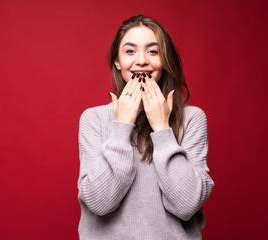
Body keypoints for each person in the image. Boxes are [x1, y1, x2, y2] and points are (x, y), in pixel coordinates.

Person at [77, 15, 214, 240]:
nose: (141, 61)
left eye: (153, 51)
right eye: (130, 51)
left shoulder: (192, 119)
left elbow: (186, 206)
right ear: (118, 61)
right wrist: (122, 127)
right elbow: (99, 203)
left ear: (165, 60)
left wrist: (162, 129)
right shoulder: (93, 119)